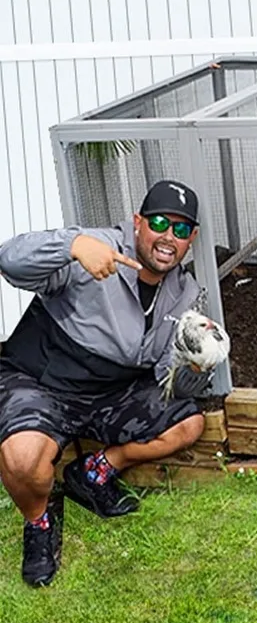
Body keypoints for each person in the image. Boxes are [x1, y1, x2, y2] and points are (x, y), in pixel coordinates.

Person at [0, 179, 212, 587]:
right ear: (138, 223)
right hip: (42, 378)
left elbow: (172, 382)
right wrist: (71, 246)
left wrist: (195, 366)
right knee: (24, 460)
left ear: (192, 239)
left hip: (112, 391)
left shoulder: (186, 294)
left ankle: (93, 472)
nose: (169, 237)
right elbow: (9, 260)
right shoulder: (96, 248)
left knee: (189, 424)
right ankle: (40, 520)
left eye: (181, 230)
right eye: (159, 223)